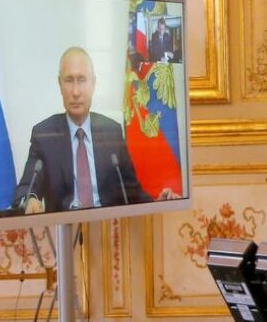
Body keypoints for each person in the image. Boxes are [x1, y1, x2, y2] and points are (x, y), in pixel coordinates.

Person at [13, 47, 175, 213]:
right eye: (69, 80)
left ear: (93, 84)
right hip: (64, 231)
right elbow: (26, 187)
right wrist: (30, 199)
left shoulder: (112, 131)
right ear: (59, 84)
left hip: (107, 229)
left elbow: (131, 192)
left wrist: (157, 203)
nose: (76, 92)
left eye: (82, 80)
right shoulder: (44, 134)